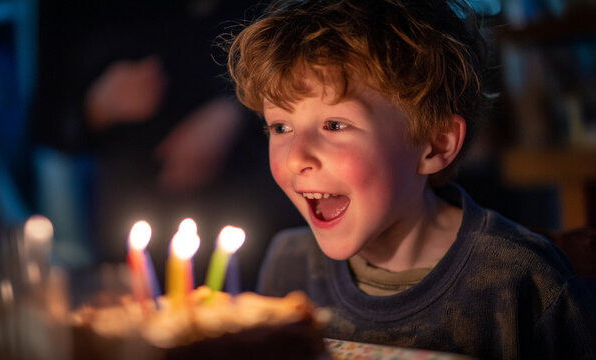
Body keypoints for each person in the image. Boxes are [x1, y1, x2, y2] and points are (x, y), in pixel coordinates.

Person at [225, 0, 596, 358]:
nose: (295, 158)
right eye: (280, 126)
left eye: (334, 124)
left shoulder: (521, 281)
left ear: (434, 146)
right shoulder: (287, 265)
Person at [32, 0, 304, 288]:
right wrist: (96, 106)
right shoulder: (73, 13)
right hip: (132, 218)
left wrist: (238, 110)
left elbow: (305, 63)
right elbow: (44, 124)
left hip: (255, 211)